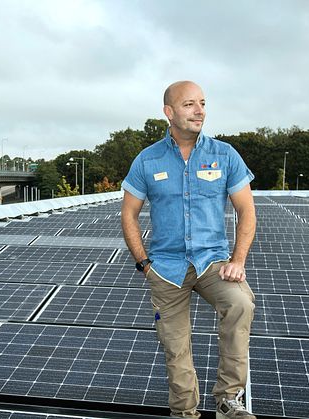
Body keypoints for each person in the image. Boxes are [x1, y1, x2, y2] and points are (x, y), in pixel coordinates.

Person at [120, 81, 256, 418]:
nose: (200, 111)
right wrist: (144, 264)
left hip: (214, 263)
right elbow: (128, 214)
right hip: (166, 268)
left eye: (203, 103)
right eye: (189, 104)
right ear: (169, 112)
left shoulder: (224, 155)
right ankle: (184, 412)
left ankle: (229, 400)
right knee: (176, 346)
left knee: (240, 303)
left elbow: (247, 211)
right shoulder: (147, 159)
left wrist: (238, 260)